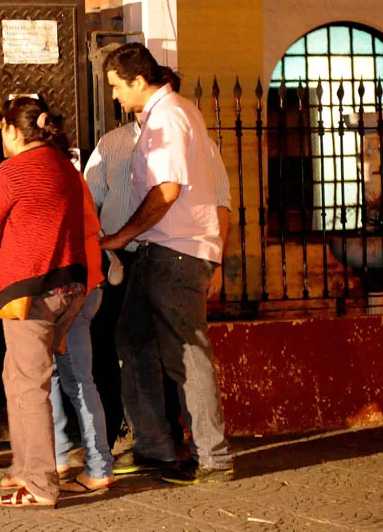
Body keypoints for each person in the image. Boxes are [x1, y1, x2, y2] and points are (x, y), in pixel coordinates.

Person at [100, 43, 233, 485]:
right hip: (160, 253)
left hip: (175, 253)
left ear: (139, 81)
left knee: (186, 355)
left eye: (118, 86)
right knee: (133, 341)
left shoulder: (171, 115)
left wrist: (122, 235)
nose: (115, 95)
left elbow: (167, 190)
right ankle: (155, 446)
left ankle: (212, 457)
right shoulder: (161, 116)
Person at [0, 96, 88, 508]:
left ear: (11, 129)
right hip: (70, 287)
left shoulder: (11, 171)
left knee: (29, 384)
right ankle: (24, 467)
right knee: (18, 375)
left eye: (2, 130)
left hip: (29, 291)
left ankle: (41, 483)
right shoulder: (64, 166)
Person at [49, 171, 116, 494]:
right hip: (83, 286)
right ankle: (60, 454)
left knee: (77, 380)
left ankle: (99, 467)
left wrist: (64, 319)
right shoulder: (70, 176)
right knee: (56, 375)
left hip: (78, 289)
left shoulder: (56, 178)